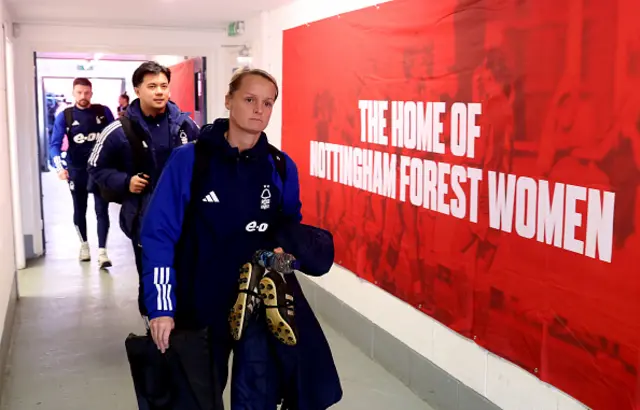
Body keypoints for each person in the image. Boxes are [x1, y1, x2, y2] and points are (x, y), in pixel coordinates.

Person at [139, 68, 342, 410]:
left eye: (268, 102)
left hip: (257, 307)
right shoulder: (190, 160)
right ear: (229, 101)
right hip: (198, 306)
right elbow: (159, 235)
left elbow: (286, 231)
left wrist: (283, 259)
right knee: (194, 399)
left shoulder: (280, 167)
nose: (259, 109)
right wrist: (162, 308)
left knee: (257, 400)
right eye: (250, 99)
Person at [87, 61, 199, 314]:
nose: (159, 92)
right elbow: (95, 166)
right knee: (151, 279)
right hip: (144, 219)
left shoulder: (186, 126)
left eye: (163, 86)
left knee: (185, 279)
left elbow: (205, 160)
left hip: (185, 218)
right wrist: (126, 182)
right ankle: (155, 332)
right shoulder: (118, 130)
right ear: (138, 90)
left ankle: (183, 339)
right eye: (152, 86)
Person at [49, 78, 115, 267]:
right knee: (80, 209)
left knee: (101, 210)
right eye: (79, 92)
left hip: (100, 170)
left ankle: (103, 252)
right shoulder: (66, 116)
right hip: (76, 170)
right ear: (73, 93)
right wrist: (59, 168)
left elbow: (117, 136)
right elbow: (54, 145)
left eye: (86, 93)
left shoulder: (103, 112)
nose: (83, 96)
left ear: (91, 93)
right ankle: (84, 244)